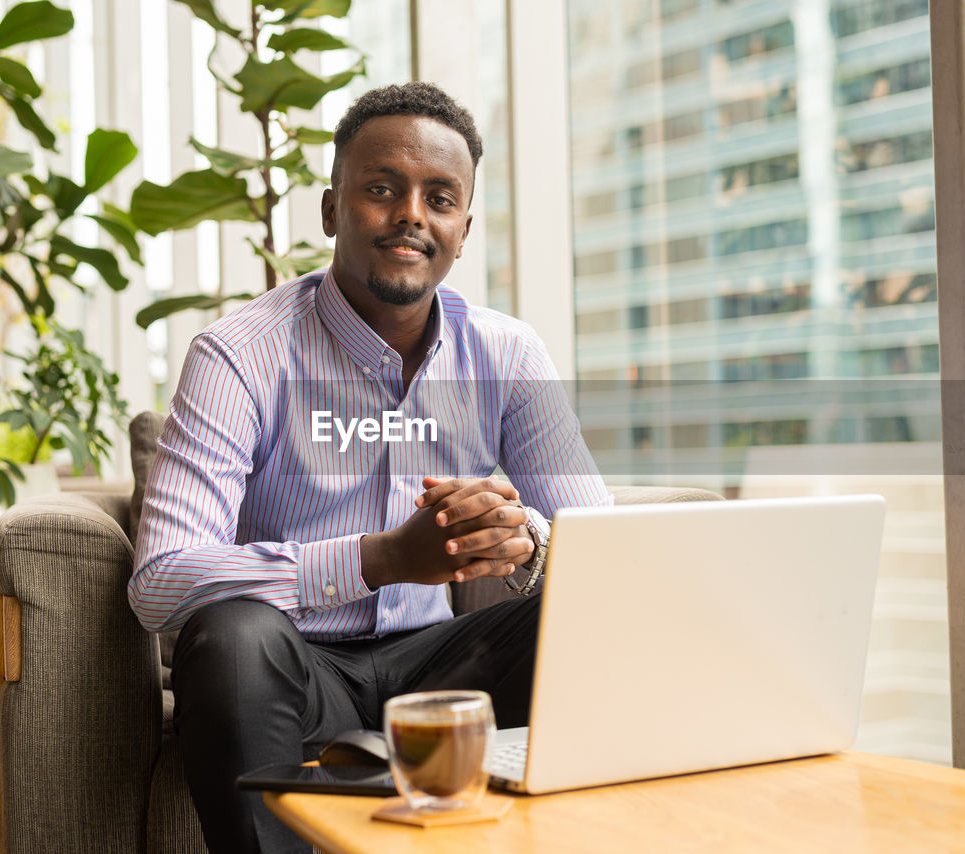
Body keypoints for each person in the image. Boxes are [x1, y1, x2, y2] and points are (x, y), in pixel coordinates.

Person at [130, 81, 610, 853]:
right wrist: (381, 558)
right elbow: (161, 582)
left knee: (597, 614)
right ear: (331, 210)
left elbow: (605, 552)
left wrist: (523, 543)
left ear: (462, 229)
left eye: (440, 198)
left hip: (446, 672)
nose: (411, 214)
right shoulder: (237, 356)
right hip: (294, 669)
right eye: (382, 189)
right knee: (233, 639)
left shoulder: (508, 354)